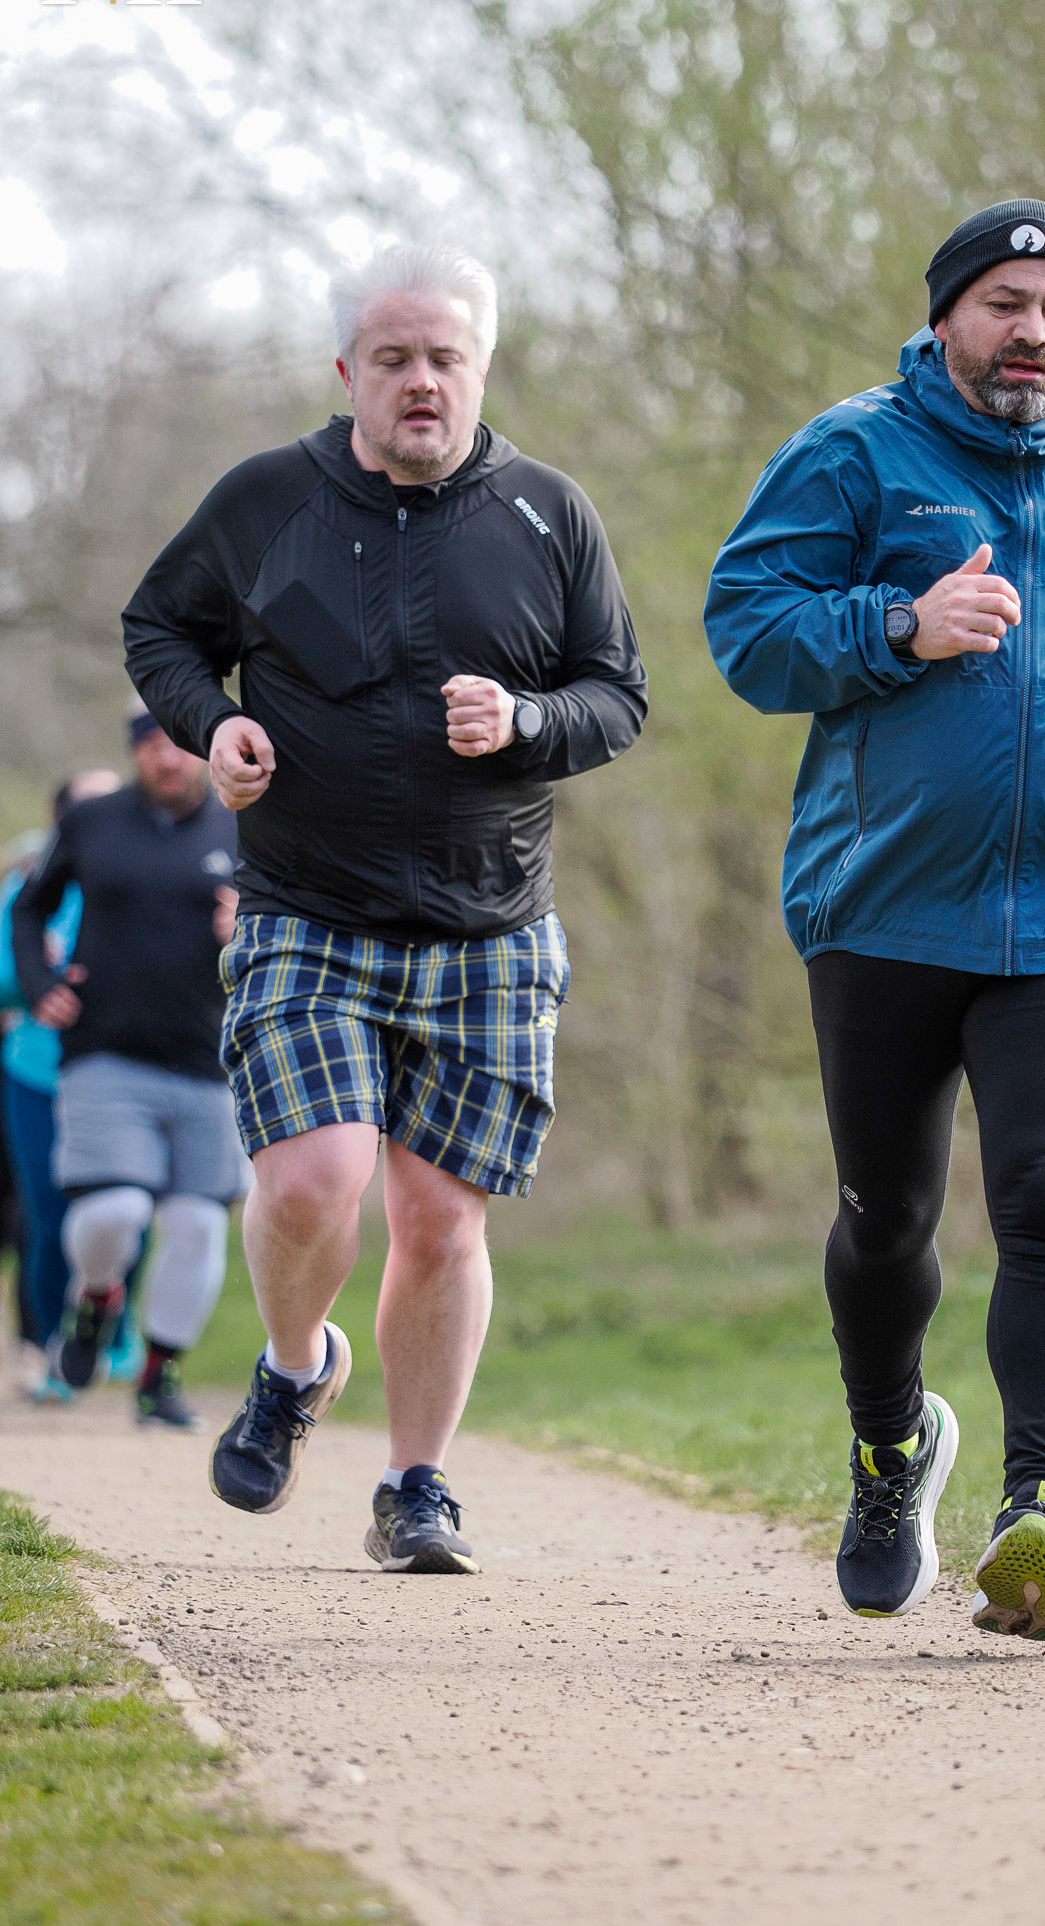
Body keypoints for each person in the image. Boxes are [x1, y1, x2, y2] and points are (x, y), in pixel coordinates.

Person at [705, 199, 1045, 1631]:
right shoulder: (856, 449)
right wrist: (895, 625)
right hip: (883, 904)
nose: (1033, 331)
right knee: (887, 1217)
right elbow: (746, 625)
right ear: (948, 319)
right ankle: (892, 1453)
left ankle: (1036, 1513)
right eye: (1004, 302)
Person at [121, 242, 647, 1575]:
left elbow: (616, 697)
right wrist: (216, 721)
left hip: (489, 928)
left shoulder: (549, 515)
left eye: (446, 358)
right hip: (306, 910)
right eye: (395, 358)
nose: (422, 382)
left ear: (483, 364)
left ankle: (418, 1486)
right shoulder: (264, 502)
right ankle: (295, 1368)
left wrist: (528, 719)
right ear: (348, 369)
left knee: (439, 1217)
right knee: (312, 1182)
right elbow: (159, 631)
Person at [11, 711, 244, 1428]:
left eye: (177, 746)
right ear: (134, 754)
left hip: (212, 1059)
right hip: (104, 1050)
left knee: (199, 1225)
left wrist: (252, 930)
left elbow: (298, 922)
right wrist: (38, 981)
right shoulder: (93, 821)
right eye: (149, 747)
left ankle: (158, 1375)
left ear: (203, 753)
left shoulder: (246, 826)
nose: (165, 760)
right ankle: (96, 1296)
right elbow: (29, 906)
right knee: (116, 1209)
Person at [0, 770, 123, 1399]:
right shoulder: (31, 889)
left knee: (126, 1211)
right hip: (38, 1071)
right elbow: (4, 976)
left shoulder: (141, 878)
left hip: (124, 1069)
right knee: (44, 1216)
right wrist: (44, 982)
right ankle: (47, 1345)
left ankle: (114, 1340)